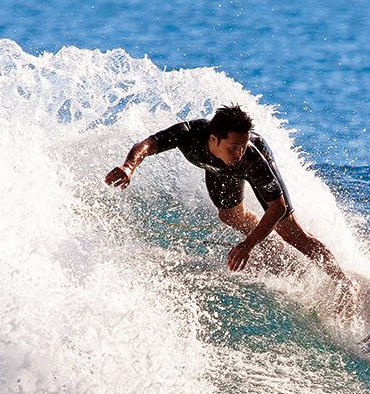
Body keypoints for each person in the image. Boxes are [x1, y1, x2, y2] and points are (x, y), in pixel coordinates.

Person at [105, 105, 355, 298]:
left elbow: (276, 207)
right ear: (213, 139)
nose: (239, 153)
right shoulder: (188, 134)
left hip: (246, 172)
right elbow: (147, 144)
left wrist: (247, 245)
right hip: (218, 171)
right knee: (230, 216)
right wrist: (128, 167)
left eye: (242, 146)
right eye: (233, 147)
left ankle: (344, 282)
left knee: (289, 230)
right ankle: (270, 247)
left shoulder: (252, 157)